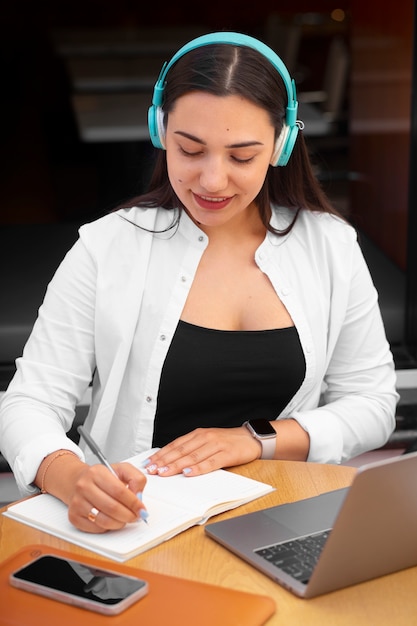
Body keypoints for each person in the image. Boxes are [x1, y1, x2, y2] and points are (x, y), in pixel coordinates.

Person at [0, 32, 398, 534]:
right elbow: (30, 401)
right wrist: (69, 476)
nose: (212, 180)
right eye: (190, 150)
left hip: (285, 521)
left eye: (240, 157)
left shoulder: (330, 247)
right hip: (136, 528)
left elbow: (374, 403)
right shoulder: (106, 248)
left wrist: (257, 440)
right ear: (160, 131)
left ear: (281, 145)